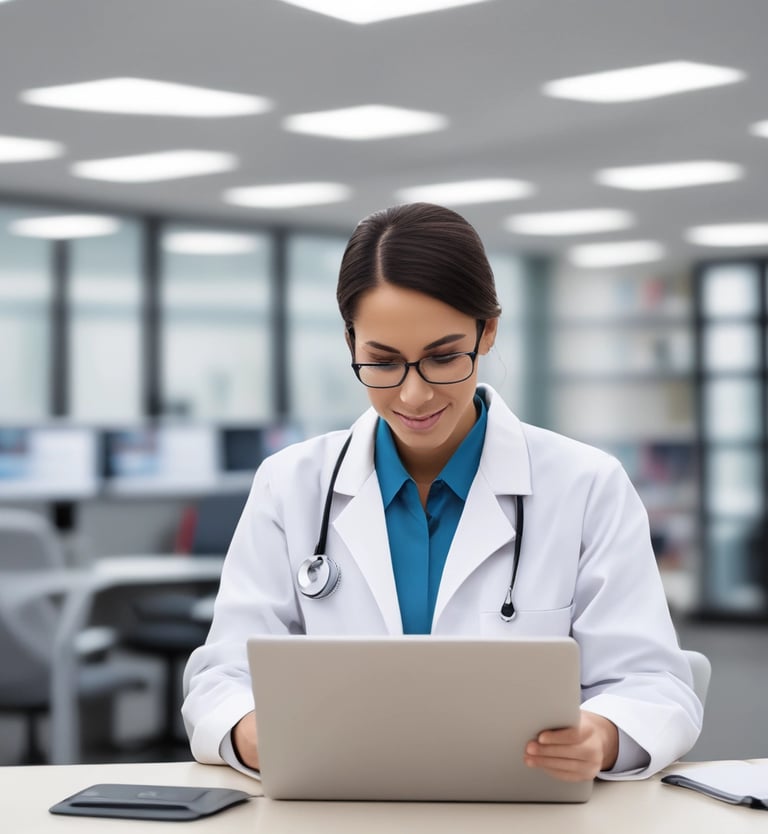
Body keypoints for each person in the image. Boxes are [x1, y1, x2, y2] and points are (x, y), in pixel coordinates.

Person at [182, 202, 702, 784]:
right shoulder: (291, 485)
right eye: (382, 362)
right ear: (350, 341)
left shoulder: (586, 487)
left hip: (520, 814)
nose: (413, 395)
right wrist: (254, 732)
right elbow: (220, 678)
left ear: (488, 332)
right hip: (337, 807)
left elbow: (656, 685)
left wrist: (601, 735)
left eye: (443, 358)